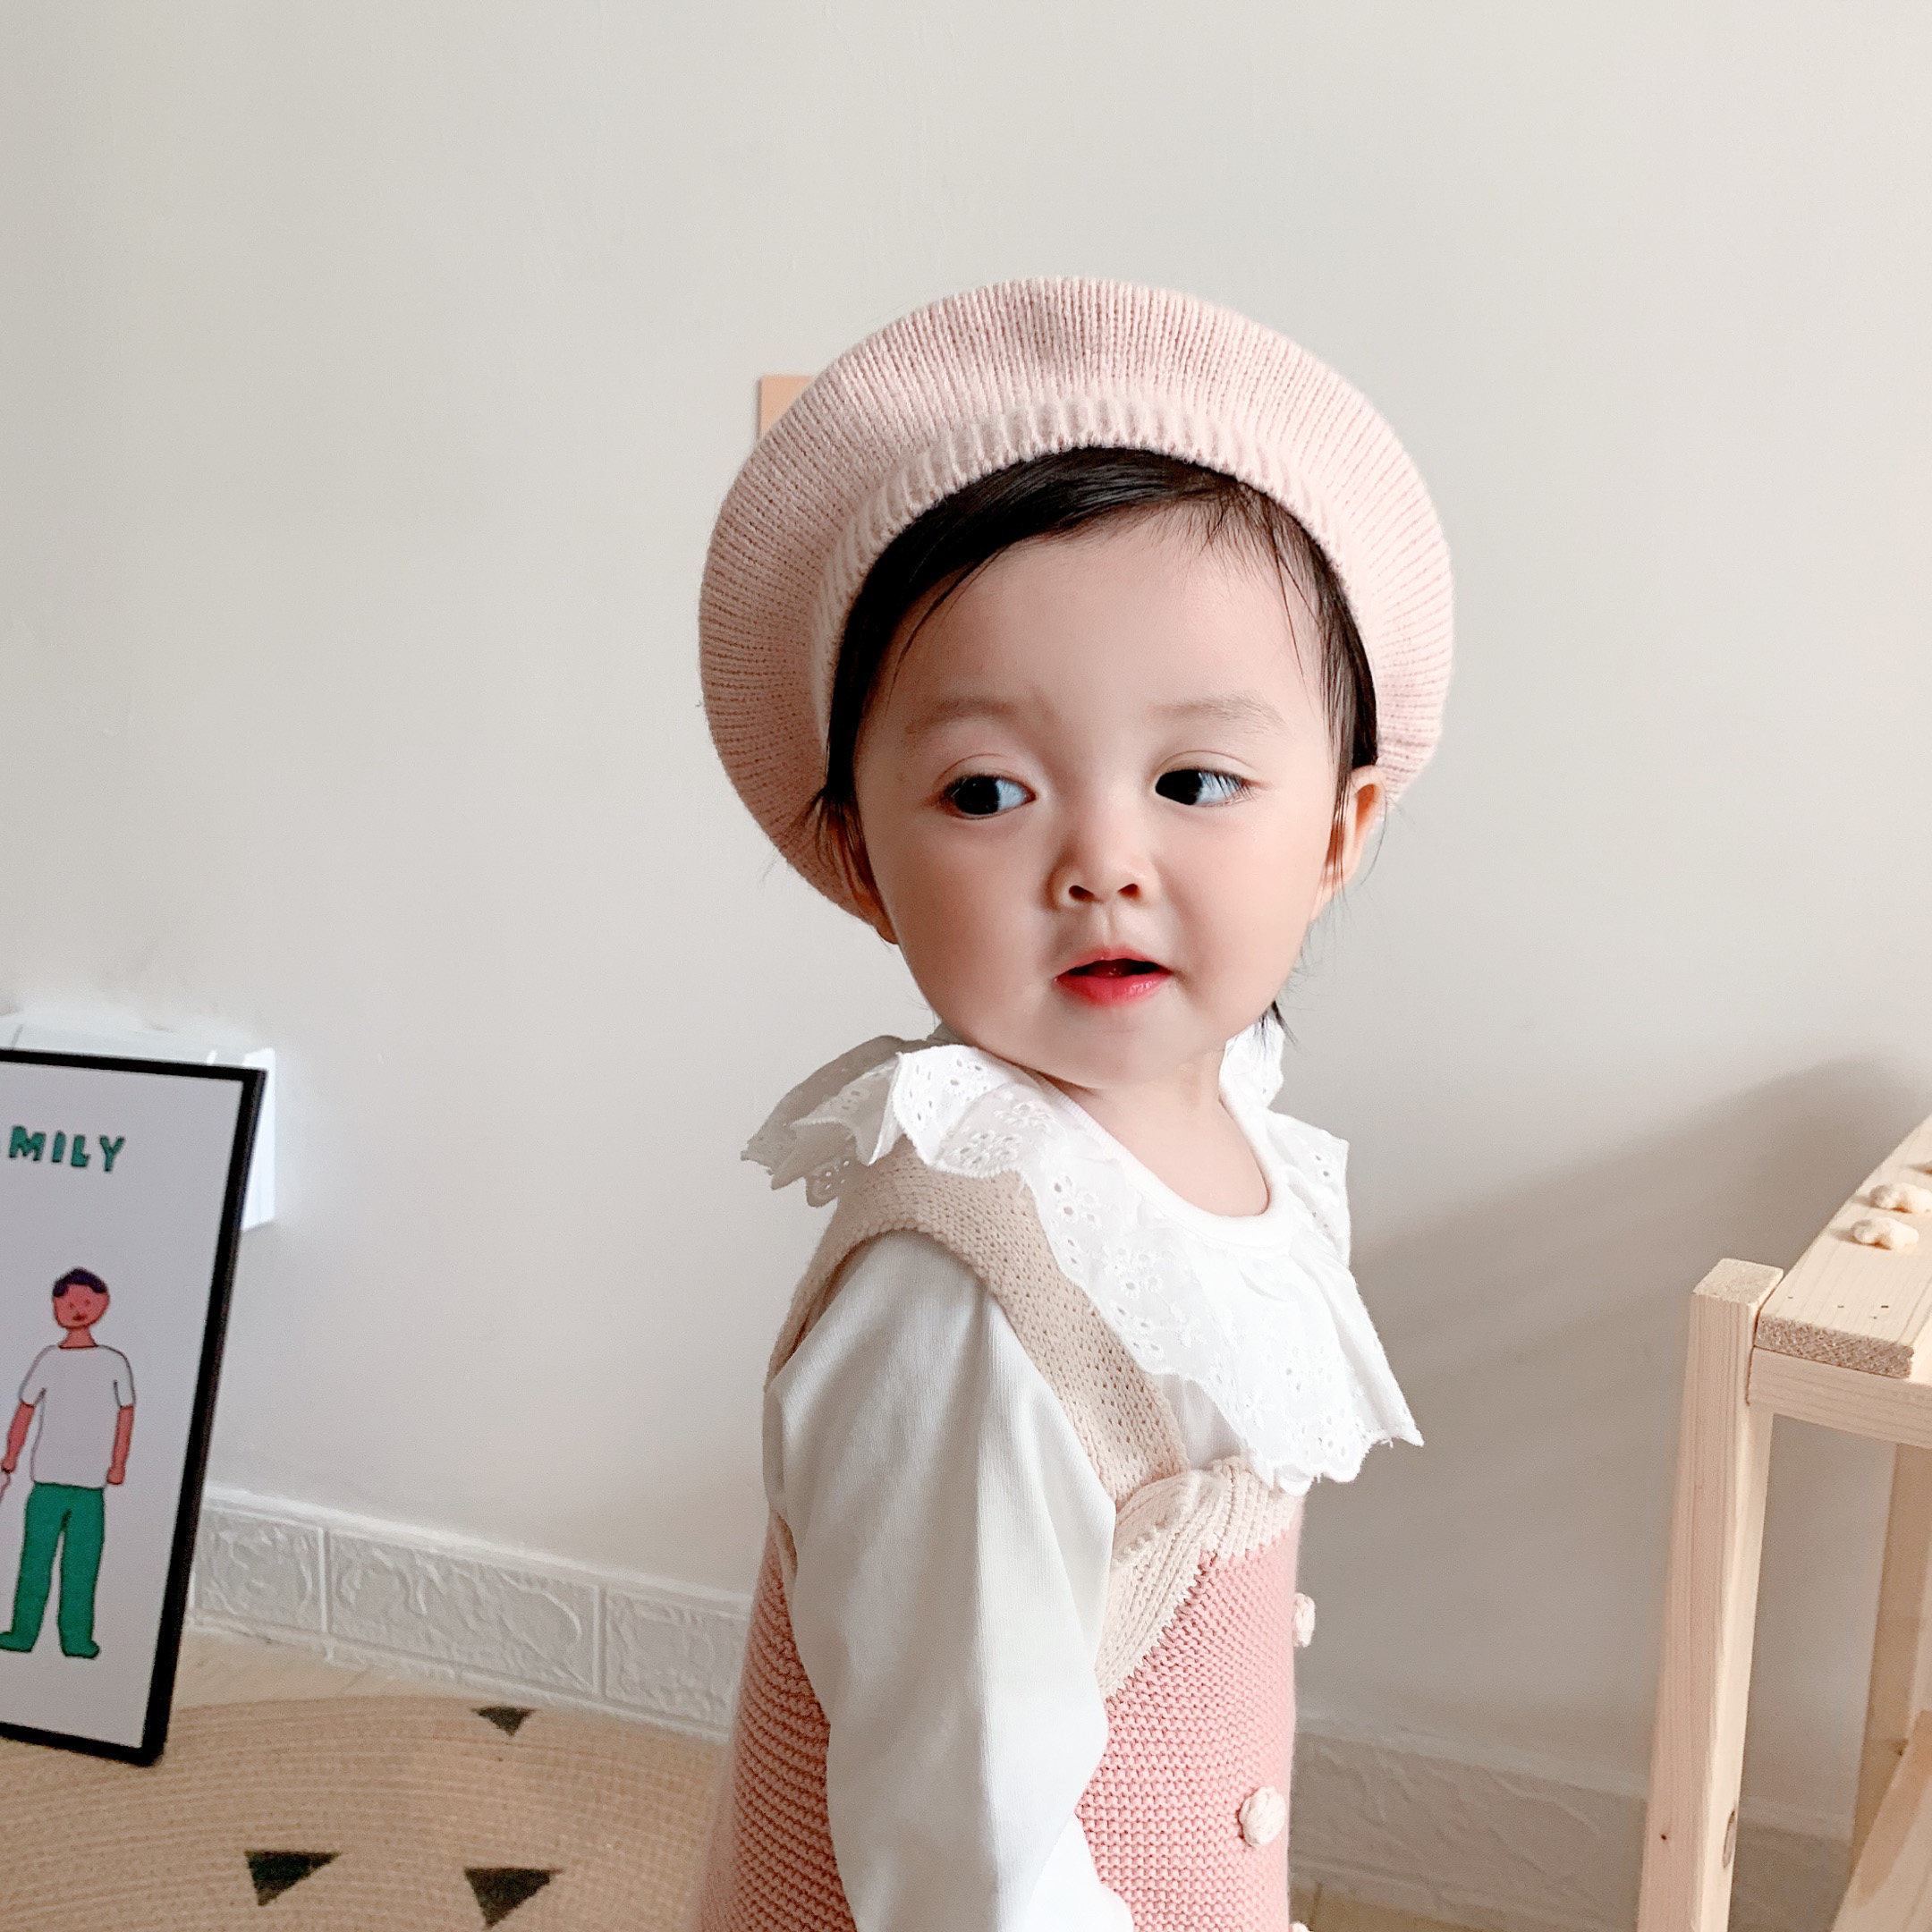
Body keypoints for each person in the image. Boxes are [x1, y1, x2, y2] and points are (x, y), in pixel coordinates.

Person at [685, 279, 1453, 1932]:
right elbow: (964, 1851)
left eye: (1195, 781)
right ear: (857, 855)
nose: (1103, 860)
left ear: (1340, 829)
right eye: (987, 790)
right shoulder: (966, 1298)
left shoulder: (1238, 1136)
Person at [0, 1267, 136, 1660]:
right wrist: (11, 1456)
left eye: (88, 1302)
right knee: (34, 1561)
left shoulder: (113, 1361)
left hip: (90, 1487)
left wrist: (118, 1462)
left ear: (103, 1304)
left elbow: (126, 1413)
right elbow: (25, 1410)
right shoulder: (49, 1359)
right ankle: (22, 1632)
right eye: (69, 1302)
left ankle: (76, 1638)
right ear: (55, 1305)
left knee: (82, 1566)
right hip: (46, 1482)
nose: (78, 1310)